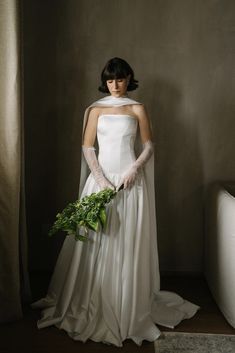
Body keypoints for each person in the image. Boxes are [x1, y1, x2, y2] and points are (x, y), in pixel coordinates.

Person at [31, 57, 200, 347]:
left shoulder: (138, 108)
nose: (115, 85)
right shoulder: (95, 110)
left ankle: (127, 304)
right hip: (101, 182)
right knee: (99, 239)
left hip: (131, 182)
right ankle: (96, 299)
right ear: (105, 82)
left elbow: (148, 146)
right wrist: (100, 180)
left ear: (129, 78)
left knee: (127, 238)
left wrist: (134, 169)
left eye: (120, 79)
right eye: (110, 80)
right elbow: (87, 147)